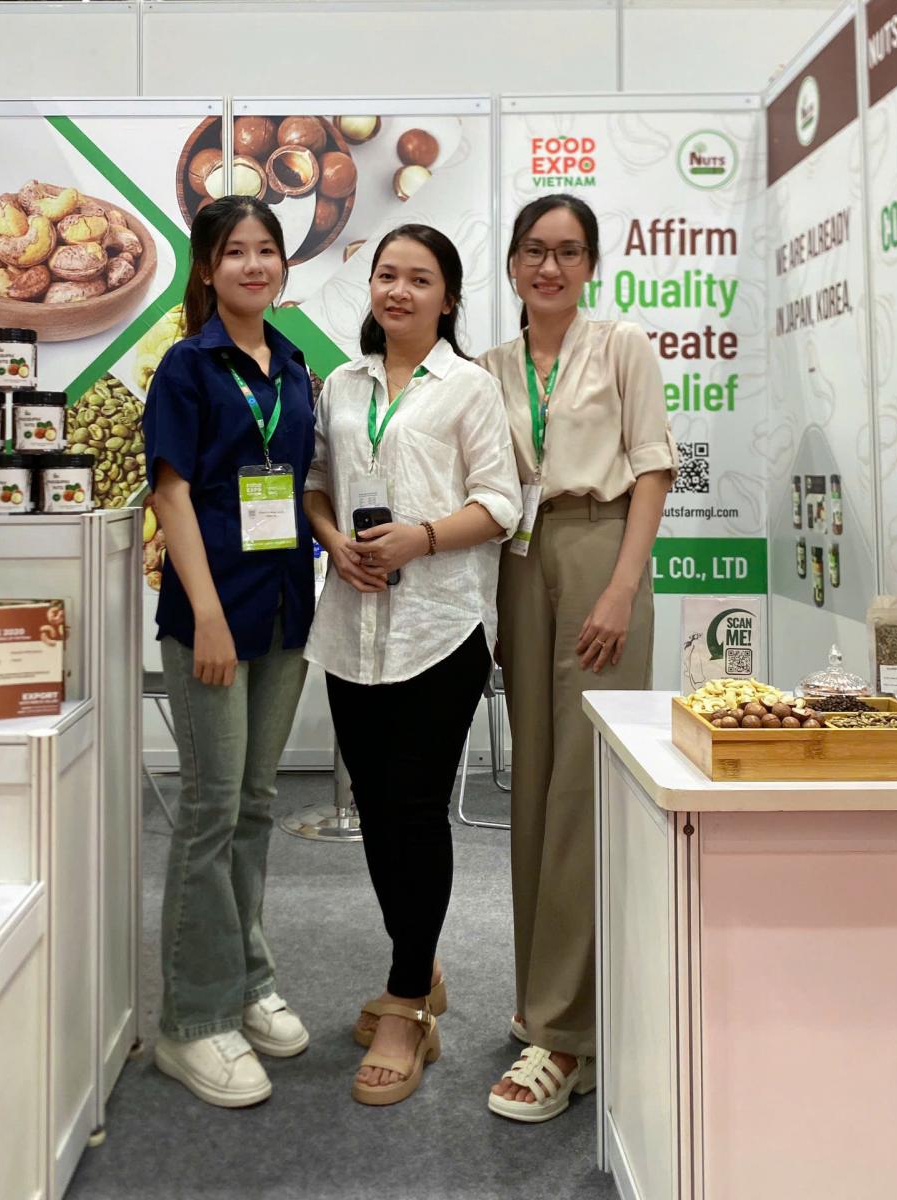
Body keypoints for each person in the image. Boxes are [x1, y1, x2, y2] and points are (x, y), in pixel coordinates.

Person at [303, 224, 522, 1107]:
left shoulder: (469, 387)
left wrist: (419, 539)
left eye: (419, 278)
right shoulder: (340, 384)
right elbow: (316, 485)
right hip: (351, 624)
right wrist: (334, 542)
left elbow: (501, 503)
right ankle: (419, 969)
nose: (398, 290)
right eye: (386, 275)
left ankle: (405, 1006)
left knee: (417, 809)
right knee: (375, 806)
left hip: (440, 626)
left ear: (448, 298)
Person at [479, 195, 678, 1123]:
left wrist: (622, 587)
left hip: (602, 546)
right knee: (533, 782)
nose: (549, 267)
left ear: (591, 264)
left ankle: (568, 1032)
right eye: (534, 251)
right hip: (520, 557)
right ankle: (546, 999)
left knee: (582, 789)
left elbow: (653, 467)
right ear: (513, 265)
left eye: (567, 252)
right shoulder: (490, 366)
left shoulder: (621, 346)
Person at [142, 195, 316, 1109]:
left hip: (284, 607)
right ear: (207, 270)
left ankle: (245, 979)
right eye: (235, 251)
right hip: (213, 612)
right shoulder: (188, 365)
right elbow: (171, 494)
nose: (254, 265)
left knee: (254, 805)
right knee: (210, 811)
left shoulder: (292, 365)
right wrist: (206, 614)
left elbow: (300, 483)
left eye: (266, 250)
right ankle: (190, 1019)